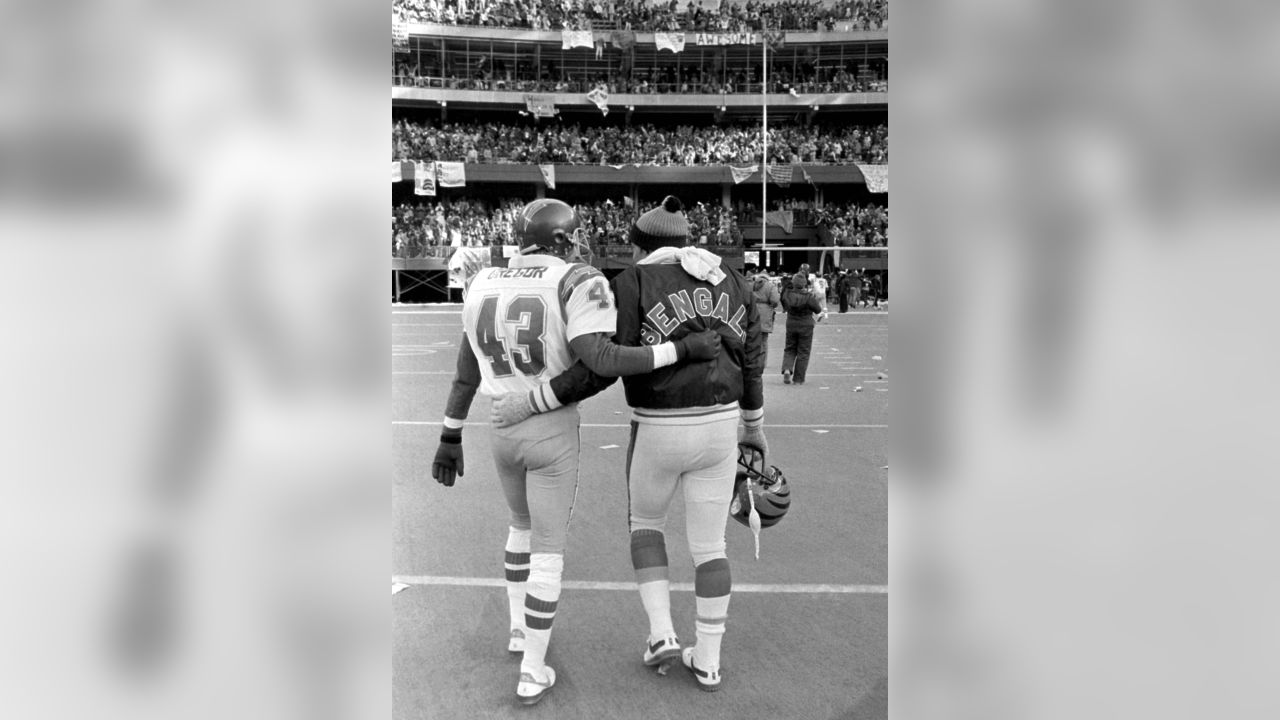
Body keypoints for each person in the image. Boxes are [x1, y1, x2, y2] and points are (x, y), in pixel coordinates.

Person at [430, 199, 719, 705]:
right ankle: (532, 668)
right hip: (549, 427)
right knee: (548, 549)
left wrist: (450, 433)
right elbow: (602, 359)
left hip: (500, 425)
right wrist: (681, 349)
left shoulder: (482, 281)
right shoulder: (573, 278)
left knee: (519, 527)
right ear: (563, 238)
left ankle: (519, 628)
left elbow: (465, 374)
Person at [490, 196, 765, 693]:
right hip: (722, 426)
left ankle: (661, 632)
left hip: (658, 425)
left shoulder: (632, 281)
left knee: (646, 526)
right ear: (685, 241)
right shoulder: (733, 278)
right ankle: (709, 659)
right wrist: (755, 422)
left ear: (639, 245)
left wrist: (534, 401)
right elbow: (752, 357)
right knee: (711, 545)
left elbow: (598, 366)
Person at [780, 272, 825, 385]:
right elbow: (819, 311)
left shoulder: (787, 295)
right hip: (806, 324)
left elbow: (783, 301)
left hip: (791, 323)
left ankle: (787, 368)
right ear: (805, 284)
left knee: (790, 348)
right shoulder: (808, 297)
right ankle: (798, 379)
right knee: (803, 352)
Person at [745, 263, 781, 367]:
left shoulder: (750, 285)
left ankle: (751, 359)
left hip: (752, 312)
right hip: (765, 314)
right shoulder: (770, 286)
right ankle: (763, 362)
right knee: (764, 340)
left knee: (751, 338)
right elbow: (775, 300)